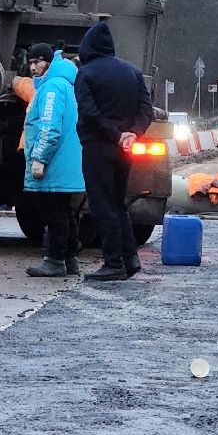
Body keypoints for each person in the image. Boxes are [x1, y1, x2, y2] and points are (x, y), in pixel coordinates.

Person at [74, 21, 153, 282]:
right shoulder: (132, 72)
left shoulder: (86, 74)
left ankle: (113, 262)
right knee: (119, 203)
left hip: (99, 147)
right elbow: (146, 109)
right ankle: (130, 258)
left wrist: (116, 135)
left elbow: (88, 112)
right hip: (126, 149)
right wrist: (133, 134)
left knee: (102, 205)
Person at [22, 44, 84, 277]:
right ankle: (70, 258)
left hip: (54, 163)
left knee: (53, 213)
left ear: (49, 62)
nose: (33, 67)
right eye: (30, 63)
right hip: (64, 162)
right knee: (66, 212)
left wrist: (39, 158)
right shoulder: (64, 84)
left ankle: (54, 259)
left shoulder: (52, 88)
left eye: (37, 62)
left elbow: (49, 127)